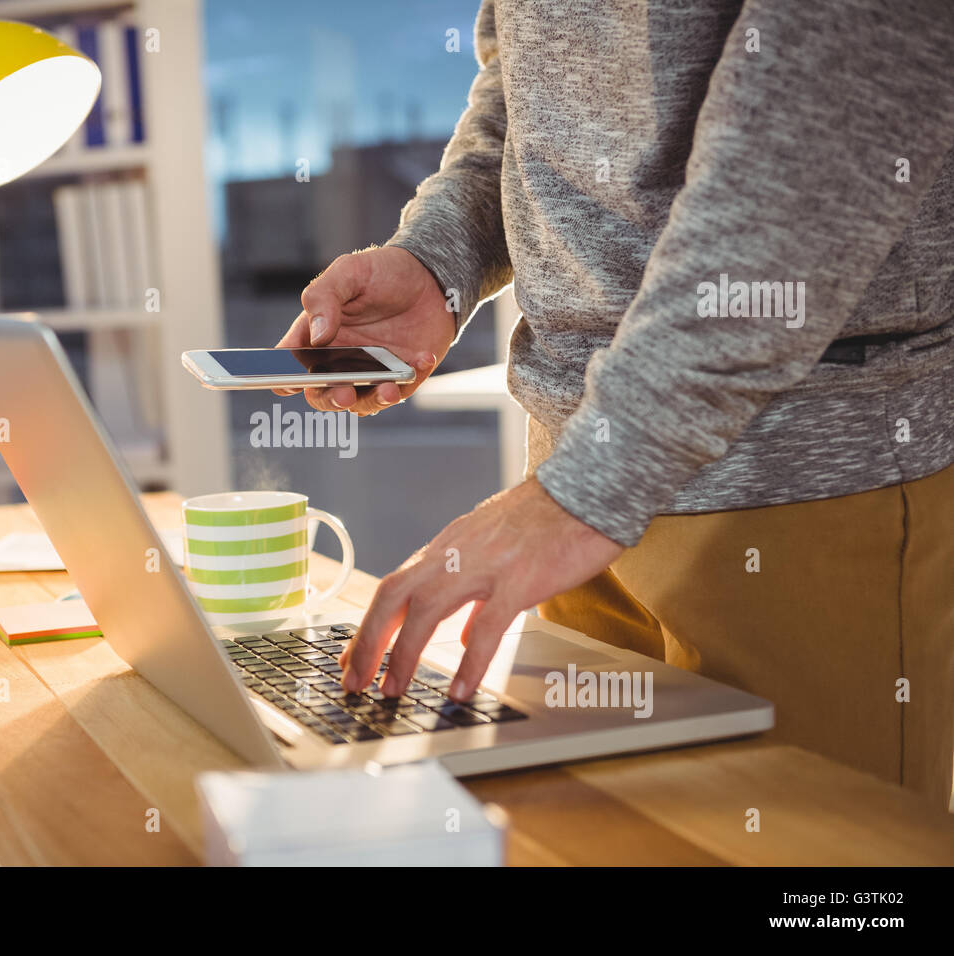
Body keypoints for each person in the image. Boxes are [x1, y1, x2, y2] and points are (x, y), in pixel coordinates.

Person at [277, 0, 954, 808]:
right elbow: (521, 98)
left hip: (796, 478)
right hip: (567, 489)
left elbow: (820, 141)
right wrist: (437, 262)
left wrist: (590, 486)